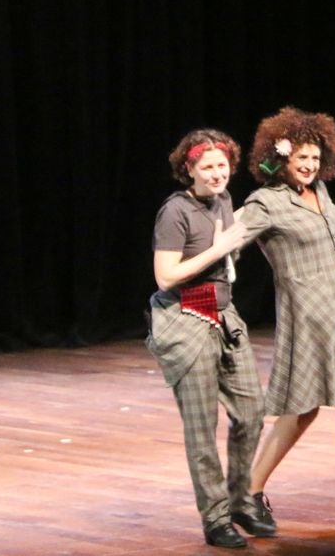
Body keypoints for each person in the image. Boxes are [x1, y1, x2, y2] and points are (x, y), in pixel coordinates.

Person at [235, 107, 335, 530]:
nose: (308, 165)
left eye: (314, 158)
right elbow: (228, 241)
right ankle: (248, 491)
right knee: (301, 410)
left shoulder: (321, 192)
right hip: (309, 317)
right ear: (281, 157)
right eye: (300, 158)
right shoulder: (265, 202)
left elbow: (323, 235)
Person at [145, 128, 267, 548]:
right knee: (202, 428)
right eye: (208, 167)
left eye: (223, 166)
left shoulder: (225, 199)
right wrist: (219, 249)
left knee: (252, 410)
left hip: (224, 313)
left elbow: (266, 173)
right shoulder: (175, 211)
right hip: (186, 317)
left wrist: (281, 153)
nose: (217, 174)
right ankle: (216, 519)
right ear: (189, 169)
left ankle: (240, 500)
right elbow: (165, 275)